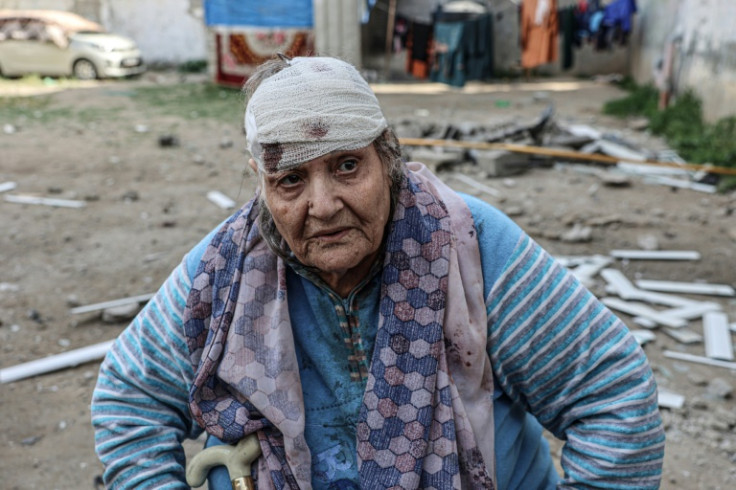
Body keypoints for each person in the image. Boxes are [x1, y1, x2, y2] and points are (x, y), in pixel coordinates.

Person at [91, 55, 664, 489]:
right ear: (260, 183)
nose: (322, 204)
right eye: (290, 179)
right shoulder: (223, 271)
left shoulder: (473, 247)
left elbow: (614, 399)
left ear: (387, 156)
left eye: (346, 166)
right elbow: (128, 397)